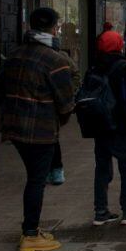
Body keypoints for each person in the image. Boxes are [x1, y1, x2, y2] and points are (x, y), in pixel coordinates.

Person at [0, 8, 75, 251]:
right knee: (36, 181)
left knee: (35, 178)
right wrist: (60, 119)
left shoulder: (14, 54)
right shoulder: (56, 59)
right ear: (54, 28)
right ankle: (30, 233)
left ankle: (31, 229)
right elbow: (66, 102)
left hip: (15, 126)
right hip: (40, 130)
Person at [91, 30, 126, 226]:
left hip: (100, 125)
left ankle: (100, 211)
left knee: (102, 168)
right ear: (119, 45)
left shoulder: (95, 67)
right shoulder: (125, 67)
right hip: (123, 125)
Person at [47, 49, 80, 186]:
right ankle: (50, 170)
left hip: (52, 104)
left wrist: (67, 92)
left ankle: (55, 170)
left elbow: (75, 75)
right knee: (48, 139)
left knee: (51, 138)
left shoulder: (59, 56)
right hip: (38, 107)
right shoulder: (26, 55)